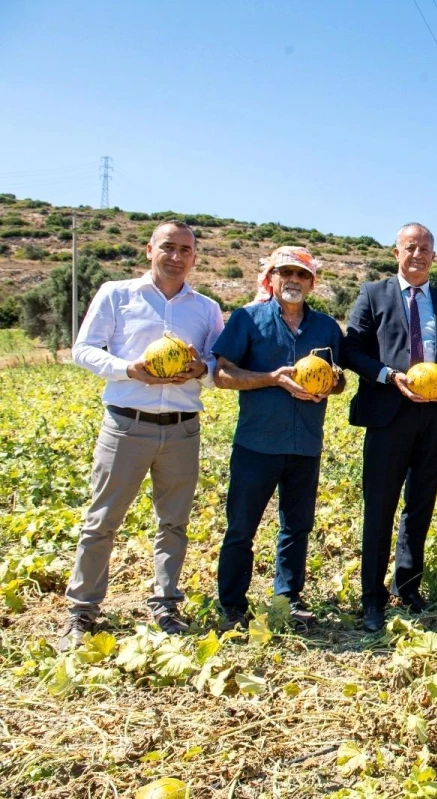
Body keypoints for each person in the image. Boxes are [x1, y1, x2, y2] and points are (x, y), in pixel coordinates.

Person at [62, 220, 224, 649]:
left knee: (174, 523)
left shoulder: (206, 308)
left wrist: (202, 369)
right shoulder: (117, 294)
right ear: (149, 250)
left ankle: (166, 603)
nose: (176, 256)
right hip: (125, 425)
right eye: (168, 247)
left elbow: (215, 364)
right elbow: (83, 349)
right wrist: (128, 369)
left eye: (185, 250)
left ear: (194, 257)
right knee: (102, 521)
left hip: (182, 429)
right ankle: (82, 611)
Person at [343, 223, 437, 632]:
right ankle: (372, 598)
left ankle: (409, 585)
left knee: (420, 505)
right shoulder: (373, 294)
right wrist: (386, 376)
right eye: (410, 247)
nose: (418, 254)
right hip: (388, 413)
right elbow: (351, 350)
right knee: (379, 506)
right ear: (396, 252)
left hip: (433, 417)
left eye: (426, 248)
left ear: (434, 256)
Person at [212, 246, 345, 630]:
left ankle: (287, 598)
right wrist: (271, 378)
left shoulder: (325, 328)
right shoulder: (247, 320)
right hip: (257, 443)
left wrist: (330, 386)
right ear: (270, 279)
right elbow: (223, 375)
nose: (294, 281)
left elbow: (339, 381)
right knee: (241, 527)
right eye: (285, 273)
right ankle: (232, 604)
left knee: (297, 525)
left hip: (305, 443)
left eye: (302, 275)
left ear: (312, 284)